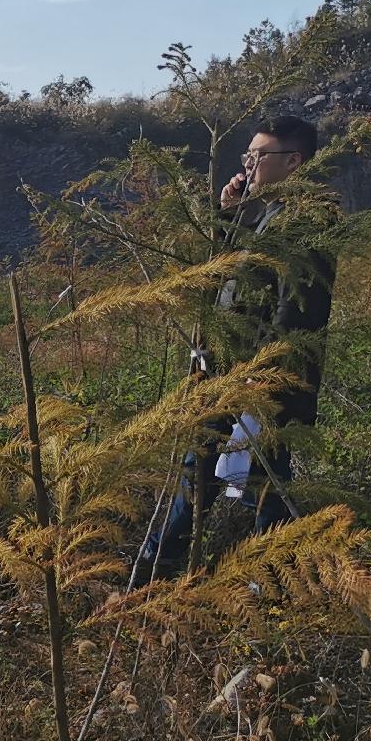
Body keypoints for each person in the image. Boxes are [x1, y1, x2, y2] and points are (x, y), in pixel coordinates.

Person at [141, 113, 337, 575]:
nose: (247, 164)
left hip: (262, 371)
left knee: (262, 473)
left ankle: (262, 574)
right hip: (231, 363)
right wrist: (231, 216)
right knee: (221, 462)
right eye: (246, 155)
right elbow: (237, 274)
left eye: (257, 155)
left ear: (292, 161)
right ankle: (181, 562)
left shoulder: (308, 217)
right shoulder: (269, 212)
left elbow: (299, 303)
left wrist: (269, 369)